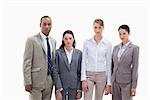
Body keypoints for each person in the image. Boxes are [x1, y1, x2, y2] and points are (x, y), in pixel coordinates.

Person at [23, 16, 56, 100]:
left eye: (49, 24)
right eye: (44, 24)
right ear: (40, 25)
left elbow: (53, 62)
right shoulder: (32, 40)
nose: (47, 27)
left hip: (49, 82)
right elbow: (27, 62)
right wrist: (27, 82)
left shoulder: (53, 41)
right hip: (35, 82)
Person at [81, 19, 112, 100]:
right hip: (89, 74)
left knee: (99, 98)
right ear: (93, 28)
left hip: (102, 75)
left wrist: (109, 82)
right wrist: (83, 79)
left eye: (100, 27)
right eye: (95, 27)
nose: (97, 30)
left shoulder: (107, 44)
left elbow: (109, 64)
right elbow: (83, 61)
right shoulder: (87, 42)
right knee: (87, 98)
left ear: (103, 28)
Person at [111, 24, 139, 100]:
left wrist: (133, 86)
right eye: (120, 34)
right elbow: (112, 65)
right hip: (115, 81)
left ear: (129, 33)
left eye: (124, 33)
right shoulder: (115, 48)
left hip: (127, 82)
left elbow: (135, 68)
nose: (121, 36)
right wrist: (111, 81)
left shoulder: (134, 48)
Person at [55, 30, 82, 100]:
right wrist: (58, 89)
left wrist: (79, 89)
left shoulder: (79, 53)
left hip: (74, 86)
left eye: (70, 38)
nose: (68, 41)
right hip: (62, 86)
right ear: (63, 40)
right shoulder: (58, 53)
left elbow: (80, 72)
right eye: (66, 38)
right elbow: (55, 71)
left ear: (73, 39)